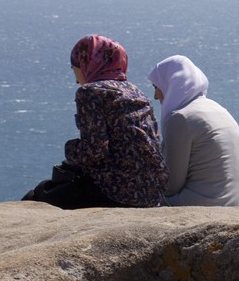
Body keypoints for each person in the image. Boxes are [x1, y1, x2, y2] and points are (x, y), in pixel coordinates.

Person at [23, 35, 168, 209]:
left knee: (38, 196)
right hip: (151, 190)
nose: (77, 79)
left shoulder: (90, 92)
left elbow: (94, 151)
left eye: (74, 68)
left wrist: (70, 148)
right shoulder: (135, 91)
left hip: (119, 191)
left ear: (86, 63)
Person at [147, 55, 239, 207]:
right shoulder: (220, 109)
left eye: (156, 87)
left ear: (171, 83)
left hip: (206, 205)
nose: (155, 96)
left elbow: (170, 186)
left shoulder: (180, 118)